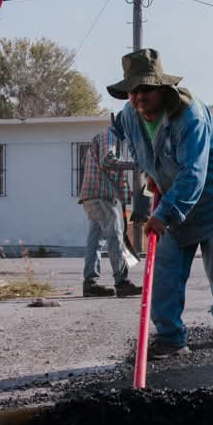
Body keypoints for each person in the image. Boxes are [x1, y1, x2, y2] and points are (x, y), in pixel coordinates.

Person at [105, 48, 213, 357]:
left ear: (162, 87)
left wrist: (164, 213)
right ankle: (172, 337)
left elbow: (193, 174)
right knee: (165, 271)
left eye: (146, 87)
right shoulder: (130, 115)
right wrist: (150, 173)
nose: (139, 95)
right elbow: (119, 134)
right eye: (133, 89)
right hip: (174, 200)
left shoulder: (190, 116)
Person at [78, 127, 142, 298]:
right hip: (101, 196)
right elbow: (107, 161)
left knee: (95, 240)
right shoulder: (110, 136)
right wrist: (135, 165)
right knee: (115, 237)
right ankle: (121, 282)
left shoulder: (104, 137)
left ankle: (90, 284)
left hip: (92, 196)